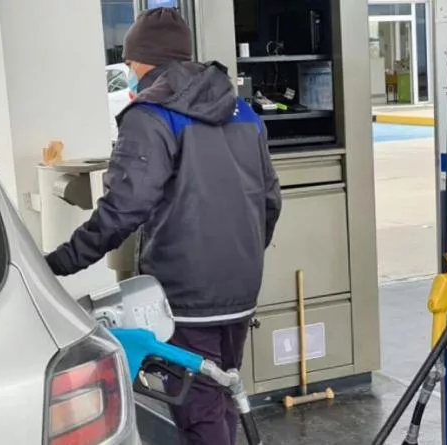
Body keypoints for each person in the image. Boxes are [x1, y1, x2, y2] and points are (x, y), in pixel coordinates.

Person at [44, 7, 281, 445]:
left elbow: (124, 208)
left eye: (129, 63)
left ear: (142, 61)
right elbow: (270, 199)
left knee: (199, 409)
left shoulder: (151, 115)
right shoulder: (243, 111)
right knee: (223, 390)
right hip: (241, 286)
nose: (129, 73)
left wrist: (58, 263)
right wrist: (244, 257)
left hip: (186, 294)